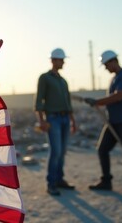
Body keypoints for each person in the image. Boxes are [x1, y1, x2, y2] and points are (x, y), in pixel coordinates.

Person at [84, 50, 122, 199]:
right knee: (102, 149)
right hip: (113, 122)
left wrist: (97, 102)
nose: (106, 68)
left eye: (106, 65)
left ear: (114, 61)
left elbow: (119, 96)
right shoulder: (115, 78)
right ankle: (106, 181)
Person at [35, 48, 77, 196]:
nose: (63, 62)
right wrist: (42, 121)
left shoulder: (63, 81)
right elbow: (39, 101)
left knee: (63, 151)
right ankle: (51, 183)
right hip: (53, 119)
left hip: (65, 118)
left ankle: (60, 180)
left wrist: (72, 121)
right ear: (54, 60)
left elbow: (68, 102)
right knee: (56, 151)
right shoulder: (45, 78)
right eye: (61, 59)